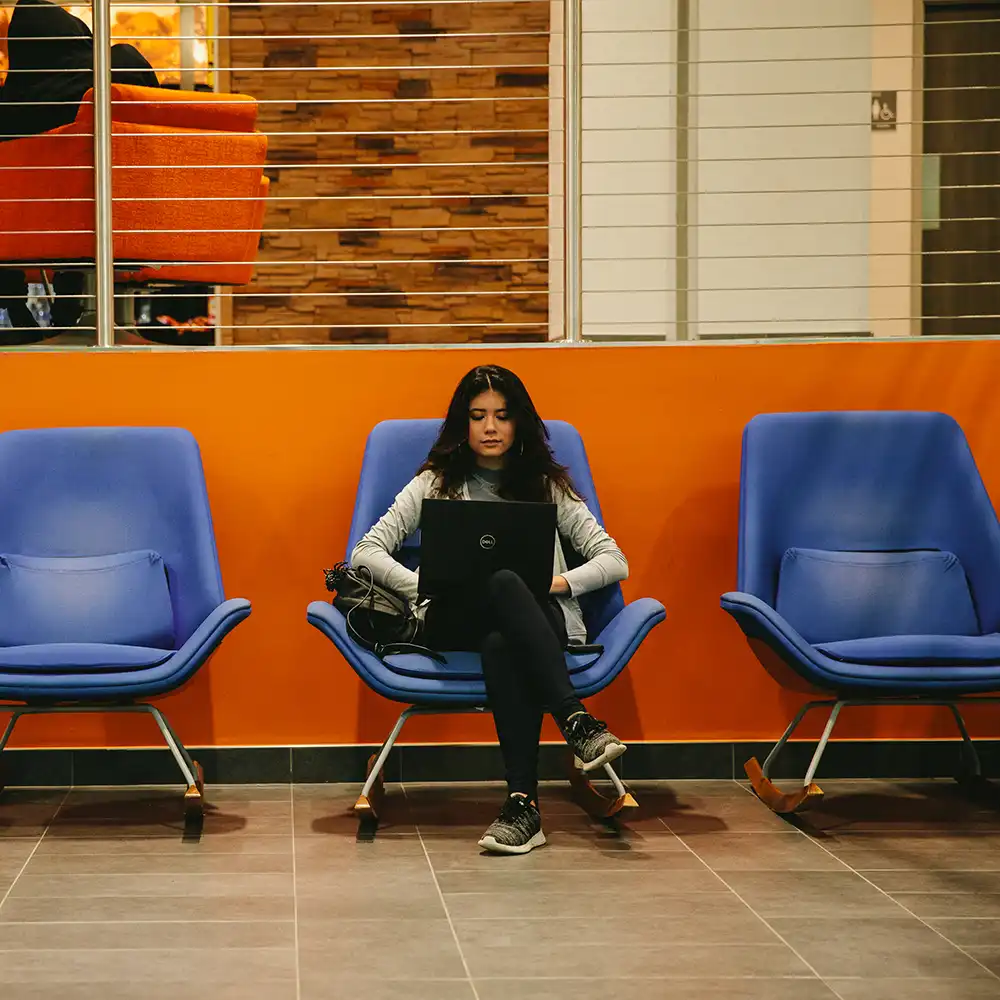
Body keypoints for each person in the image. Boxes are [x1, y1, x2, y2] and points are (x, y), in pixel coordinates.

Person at [351, 365, 630, 855]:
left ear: (518, 421)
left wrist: (555, 582)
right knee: (502, 580)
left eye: (501, 415)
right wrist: (424, 584)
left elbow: (615, 560)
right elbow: (365, 552)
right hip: (451, 620)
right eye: (478, 416)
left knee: (503, 637)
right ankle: (575, 721)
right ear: (463, 423)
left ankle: (523, 807)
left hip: (527, 627)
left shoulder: (547, 486)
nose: (490, 427)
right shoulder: (433, 483)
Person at [0, 0, 159, 342]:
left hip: (31, 228)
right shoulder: (117, 75)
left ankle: (14, 302)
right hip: (126, 215)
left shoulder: (14, 108)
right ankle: (72, 284)